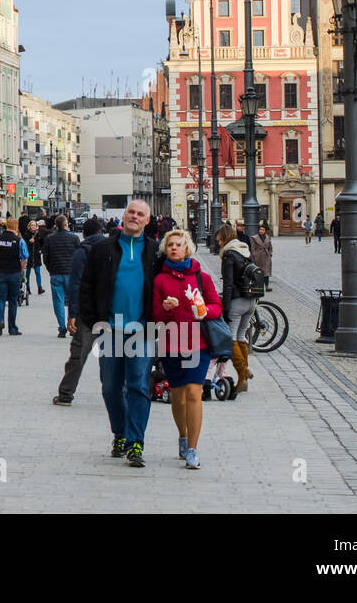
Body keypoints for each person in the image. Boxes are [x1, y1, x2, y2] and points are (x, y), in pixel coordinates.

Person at [77, 200, 158, 467]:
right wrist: (87, 319)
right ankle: (120, 433)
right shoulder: (103, 248)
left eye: (140, 214)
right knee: (111, 387)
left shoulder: (154, 252)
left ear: (147, 220)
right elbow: (86, 285)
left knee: (138, 386)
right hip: (110, 329)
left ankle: (135, 442)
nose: (134, 216)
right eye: (131, 212)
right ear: (124, 216)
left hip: (142, 330)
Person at [152, 228, 221, 471]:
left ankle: (192, 449)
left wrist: (203, 310)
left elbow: (216, 307)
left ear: (187, 248)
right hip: (171, 344)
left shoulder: (202, 278)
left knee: (194, 392)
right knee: (178, 397)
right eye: (170, 244)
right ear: (165, 249)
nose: (174, 248)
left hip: (198, 344)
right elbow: (156, 316)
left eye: (179, 244)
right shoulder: (160, 279)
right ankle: (182, 436)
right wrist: (166, 308)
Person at [53, 218, 107, 405]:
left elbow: (76, 284)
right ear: (101, 231)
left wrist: (73, 314)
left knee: (78, 355)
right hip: (110, 312)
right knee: (110, 356)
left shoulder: (82, 251)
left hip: (87, 313)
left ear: (84, 234)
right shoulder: (112, 248)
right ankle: (114, 393)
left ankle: (66, 394)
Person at [215, 224, 254, 394]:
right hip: (251, 300)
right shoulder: (245, 250)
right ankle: (243, 376)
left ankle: (243, 372)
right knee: (241, 336)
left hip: (237, 301)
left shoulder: (229, 254)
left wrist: (225, 306)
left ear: (224, 239)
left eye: (219, 240)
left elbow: (228, 283)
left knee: (230, 339)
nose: (218, 244)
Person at [0, 217, 28, 336]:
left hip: (0, 273)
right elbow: (25, 257)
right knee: (13, 301)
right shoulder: (19, 241)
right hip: (14, 273)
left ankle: (0, 322)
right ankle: (12, 328)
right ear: (16, 227)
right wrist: (20, 269)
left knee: (0, 299)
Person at [42, 215, 81, 338]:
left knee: (58, 301)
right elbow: (80, 256)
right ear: (66, 224)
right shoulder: (74, 238)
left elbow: (46, 257)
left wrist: (50, 269)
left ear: (55, 225)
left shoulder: (50, 238)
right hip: (72, 274)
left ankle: (62, 328)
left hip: (56, 274)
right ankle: (72, 327)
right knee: (73, 302)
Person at [249, 222, 273, 292]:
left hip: (266, 257)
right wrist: (254, 255)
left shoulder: (268, 237)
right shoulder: (254, 238)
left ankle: (267, 286)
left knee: (266, 272)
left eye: (263, 230)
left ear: (265, 231)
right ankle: (258, 286)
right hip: (258, 257)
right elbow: (252, 248)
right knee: (258, 272)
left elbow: (270, 247)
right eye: (260, 229)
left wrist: (270, 254)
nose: (261, 231)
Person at [23, 219, 44, 296]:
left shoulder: (38, 234)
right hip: (29, 256)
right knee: (27, 274)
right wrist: (29, 241)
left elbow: (43, 243)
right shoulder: (26, 234)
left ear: (36, 226)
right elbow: (23, 245)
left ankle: (39, 288)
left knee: (38, 272)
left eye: (34, 225)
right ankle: (27, 288)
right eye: (32, 225)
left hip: (36, 256)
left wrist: (41, 250)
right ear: (29, 226)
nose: (33, 226)